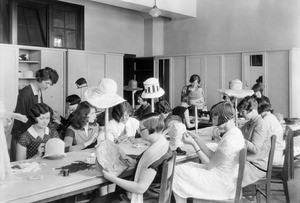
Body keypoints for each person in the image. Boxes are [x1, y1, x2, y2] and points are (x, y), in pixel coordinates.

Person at [90, 113, 173, 203]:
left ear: (152, 130)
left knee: (95, 201)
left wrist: (112, 178)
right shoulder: (163, 144)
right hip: (156, 193)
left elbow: (140, 188)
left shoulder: (154, 155)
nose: (138, 130)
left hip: (145, 197)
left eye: (141, 128)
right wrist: (135, 161)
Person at [172, 102, 245, 202]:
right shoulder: (233, 132)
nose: (213, 122)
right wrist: (197, 139)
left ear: (223, 117)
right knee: (183, 167)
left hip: (222, 183)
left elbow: (209, 164)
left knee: (177, 172)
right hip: (224, 176)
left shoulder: (231, 139)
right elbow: (213, 156)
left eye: (215, 118)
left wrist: (193, 144)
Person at [11, 67, 59, 161]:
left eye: (50, 84)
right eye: (47, 83)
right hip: (21, 136)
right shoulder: (26, 93)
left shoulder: (39, 91)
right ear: (39, 79)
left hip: (31, 136)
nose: (48, 86)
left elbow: (39, 113)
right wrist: (33, 136)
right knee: (21, 166)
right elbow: (22, 118)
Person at [237, 96, 271, 187]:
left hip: (256, 166)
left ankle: (233, 197)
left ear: (251, 109)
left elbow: (255, 148)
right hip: (249, 161)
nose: (241, 114)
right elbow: (238, 132)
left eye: (242, 111)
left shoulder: (261, 124)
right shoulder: (250, 123)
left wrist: (238, 138)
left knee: (228, 171)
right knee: (225, 166)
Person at [256, 97, 285, 166]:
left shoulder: (266, 120)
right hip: (278, 153)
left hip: (273, 156)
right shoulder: (271, 116)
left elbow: (259, 142)